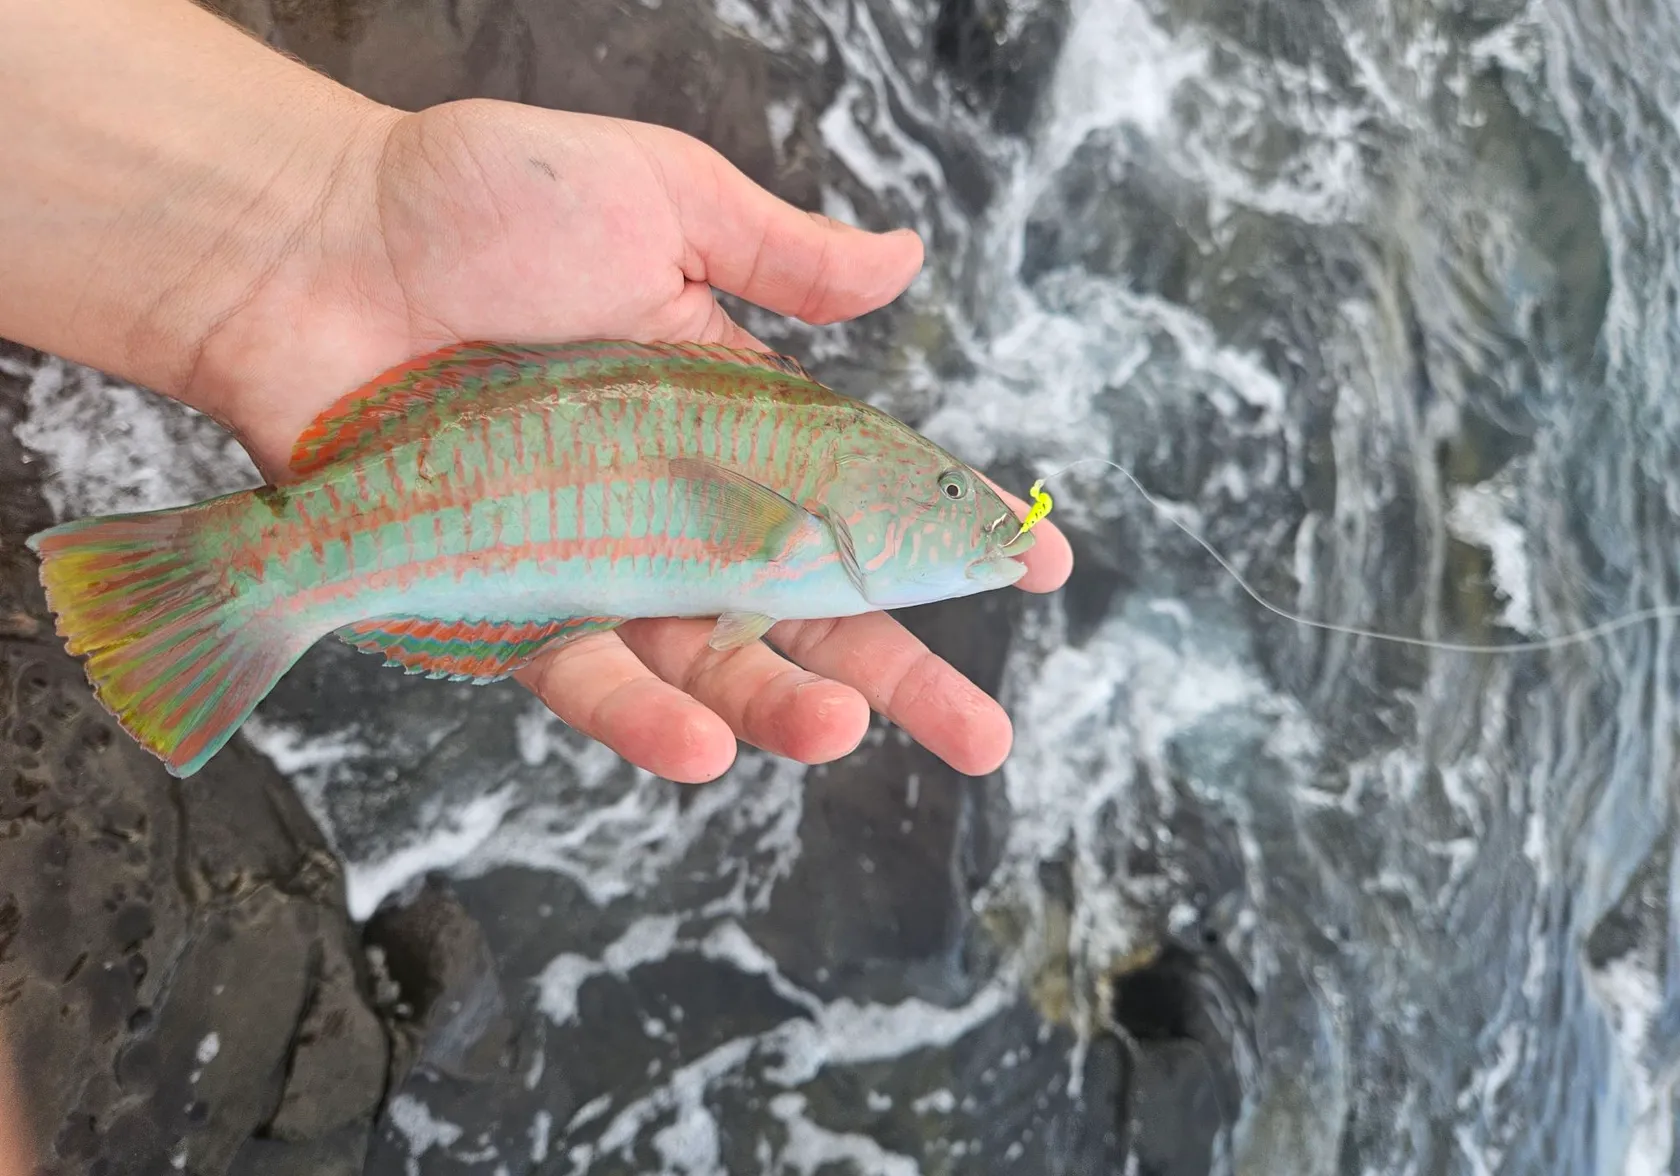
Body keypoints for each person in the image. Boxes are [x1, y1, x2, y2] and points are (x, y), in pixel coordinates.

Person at [0, 0, 1073, 1162]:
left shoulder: (818, 513)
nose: (980, 517)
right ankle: (241, 580)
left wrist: (308, 199)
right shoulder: (805, 522)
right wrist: (321, 206)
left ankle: (254, 580)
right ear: (866, 493)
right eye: (952, 498)